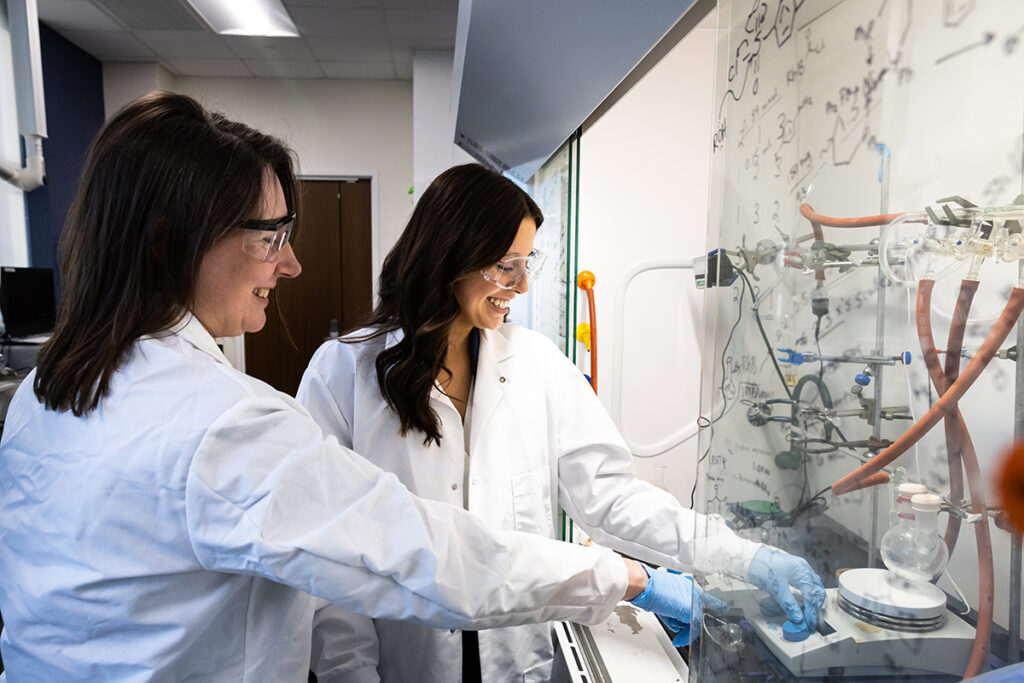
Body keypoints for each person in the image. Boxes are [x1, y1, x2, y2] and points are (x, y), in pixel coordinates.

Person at [0, 93, 697, 682]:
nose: (293, 263)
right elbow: (423, 556)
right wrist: (627, 578)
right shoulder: (221, 421)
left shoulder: (42, 393)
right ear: (167, 240)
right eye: (269, 237)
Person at [297, 163, 827, 683]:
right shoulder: (343, 373)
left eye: (528, 264)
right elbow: (329, 560)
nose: (522, 285)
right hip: (402, 664)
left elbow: (612, 498)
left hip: (519, 659)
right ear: (451, 255)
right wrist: (353, 674)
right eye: (508, 265)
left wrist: (745, 556)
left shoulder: (536, 364)